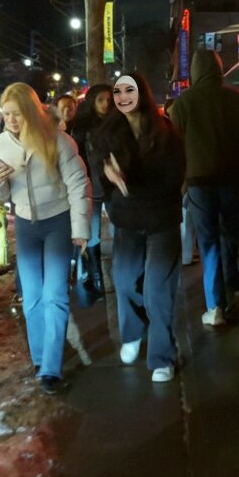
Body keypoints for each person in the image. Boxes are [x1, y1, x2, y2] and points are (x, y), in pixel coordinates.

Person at [0, 83, 91, 396]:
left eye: (17, 114)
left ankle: (51, 370)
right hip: (26, 225)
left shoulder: (56, 139)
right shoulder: (0, 145)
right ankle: (40, 360)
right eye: (6, 115)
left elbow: (77, 184)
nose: (11, 121)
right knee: (31, 298)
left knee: (55, 294)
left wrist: (80, 229)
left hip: (57, 223)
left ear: (30, 112)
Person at [93, 73, 186, 383]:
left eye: (129, 90)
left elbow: (175, 176)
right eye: (117, 91)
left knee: (158, 290)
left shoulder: (165, 131)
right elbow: (98, 172)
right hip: (127, 221)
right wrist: (108, 175)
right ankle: (132, 332)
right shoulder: (107, 133)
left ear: (141, 94)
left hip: (162, 219)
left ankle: (162, 356)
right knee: (123, 280)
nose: (122, 97)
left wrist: (135, 179)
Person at [170, 47, 239, 327]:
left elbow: (174, 145)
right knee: (229, 236)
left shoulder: (184, 103)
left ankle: (215, 304)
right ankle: (230, 294)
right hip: (230, 180)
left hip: (198, 181)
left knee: (208, 242)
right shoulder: (236, 99)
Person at [68, 85, 114, 305]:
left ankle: (122, 276)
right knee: (92, 233)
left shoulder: (118, 123)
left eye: (108, 100)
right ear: (93, 102)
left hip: (114, 187)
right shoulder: (83, 127)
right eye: (101, 100)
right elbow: (77, 158)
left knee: (120, 231)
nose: (106, 104)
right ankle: (96, 278)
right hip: (92, 187)